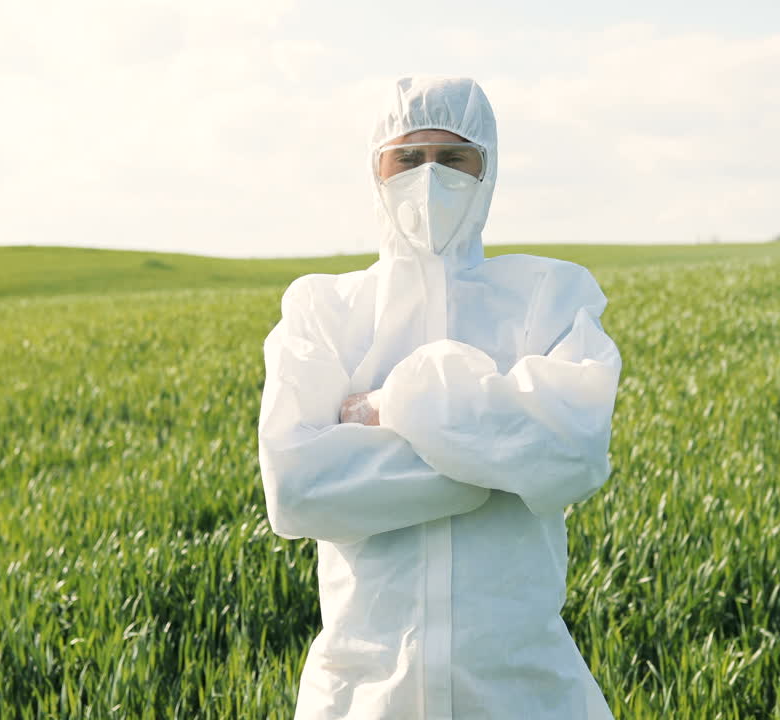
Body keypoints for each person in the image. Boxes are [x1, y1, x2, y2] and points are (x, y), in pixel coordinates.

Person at [258, 75, 623, 720]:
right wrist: (494, 461)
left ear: (488, 170)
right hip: (361, 692)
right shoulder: (323, 309)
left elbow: (574, 453)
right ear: (376, 169)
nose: (429, 178)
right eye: (408, 158)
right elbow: (296, 488)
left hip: (521, 687)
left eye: (454, 158)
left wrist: (393, 402)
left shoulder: (548, 296)